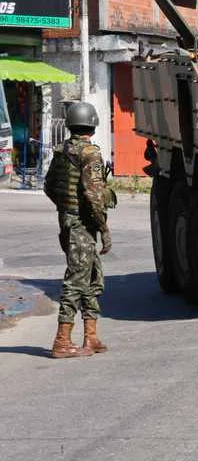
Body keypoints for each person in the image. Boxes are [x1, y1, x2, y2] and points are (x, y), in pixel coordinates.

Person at [44, 101, 113, 359]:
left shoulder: (63, 151)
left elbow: (50, 186)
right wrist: (103, 228)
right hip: (81, 225)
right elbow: (94, 195)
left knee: (92, 276)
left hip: (69, 222)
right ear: (92, 125)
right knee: (76, 280)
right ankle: (62, 341)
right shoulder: (89, 153)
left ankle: (90, 337)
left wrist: (66, 209)